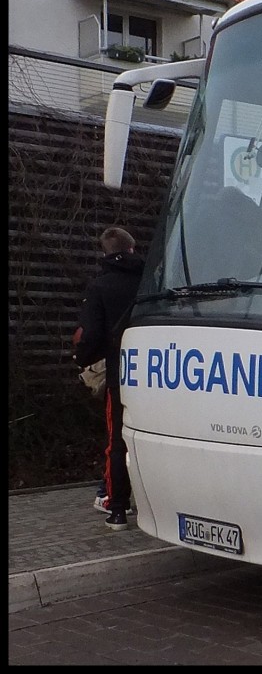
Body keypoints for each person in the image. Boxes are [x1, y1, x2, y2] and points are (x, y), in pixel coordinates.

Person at [72, 226, 144, 530]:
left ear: (105, 252)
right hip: (155, 373)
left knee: (118, 442)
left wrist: (84, 360)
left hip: (119, 372)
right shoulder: (150, 280)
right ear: (132, 248)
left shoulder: (100, 287)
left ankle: (116, 510)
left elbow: (90, 336)